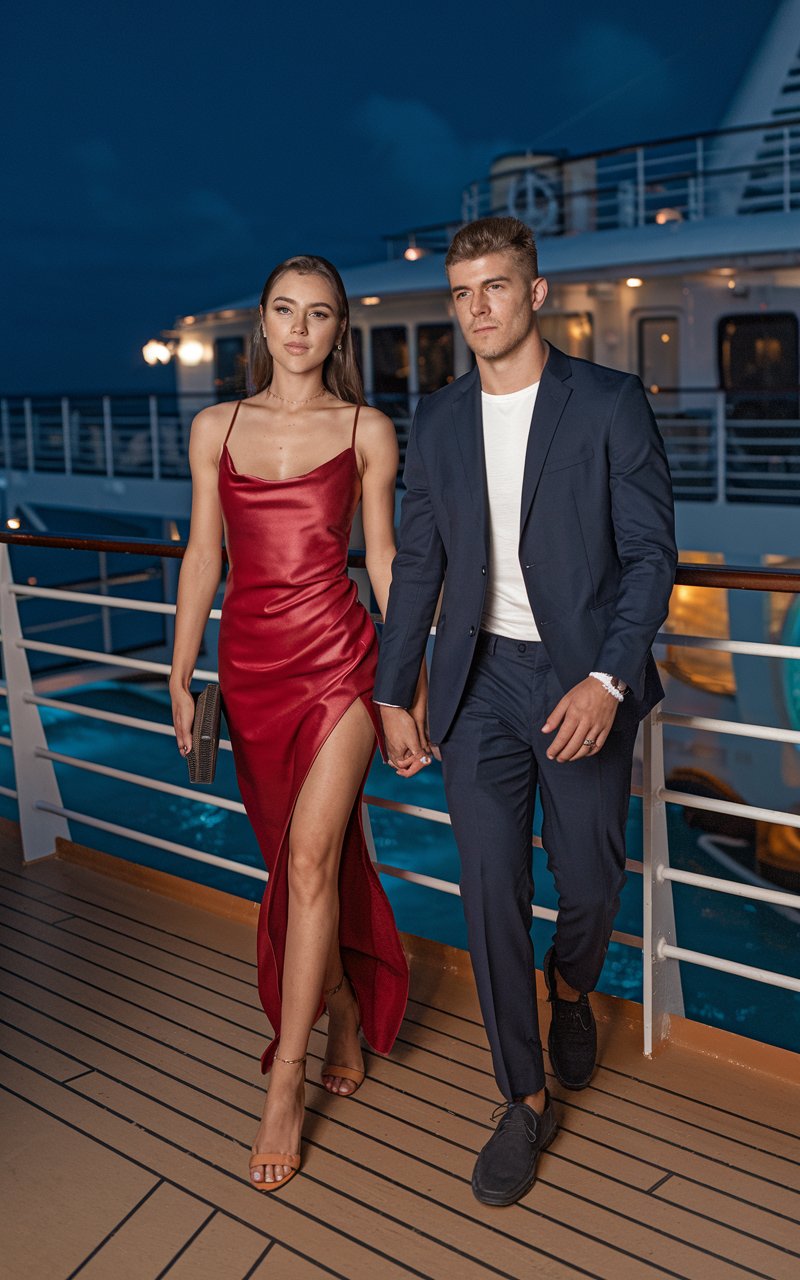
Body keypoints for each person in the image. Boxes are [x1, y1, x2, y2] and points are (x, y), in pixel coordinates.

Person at [375, 216, 677, 1207]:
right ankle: (520, 1092)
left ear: (535, 292)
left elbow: (648, 557)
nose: (477, 309)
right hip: (475, 684)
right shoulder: (441, 417)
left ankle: (570, 984)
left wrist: (606, 679)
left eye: (495, 287)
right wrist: (393, 687)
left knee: (588, 874)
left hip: (580, 674)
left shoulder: (607, 402)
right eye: (462, 292)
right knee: (486, 883)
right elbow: (417, 559)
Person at [170, 255, 426, 1193]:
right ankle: (347, 1009)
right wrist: (179, 662)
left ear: (337, 331)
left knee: (314, 857)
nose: (299, 329)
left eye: (319, 315)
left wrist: (405, 682)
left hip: (340, 664)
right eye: (285, 311)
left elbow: (387, 561)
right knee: (292, 859)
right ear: (264, 322)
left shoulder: (366, 429)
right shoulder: (214, 427)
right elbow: (205, 552)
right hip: (249, 671)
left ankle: (288, 1074)